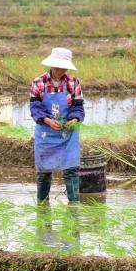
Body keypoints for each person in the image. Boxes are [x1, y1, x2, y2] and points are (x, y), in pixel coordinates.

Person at [30, 47, 85, 204]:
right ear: (52, 65)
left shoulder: (73, 82)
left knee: (71, 171)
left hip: (68, 134)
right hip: (46, 134)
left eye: (64, 67)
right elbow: (35, 108)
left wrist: (74, 119)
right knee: (44, 172)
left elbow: (78, 107)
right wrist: (47, 120)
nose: (61, 70)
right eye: (59, 66)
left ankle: (74, 206)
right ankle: (42, 205)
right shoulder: (38, 83)